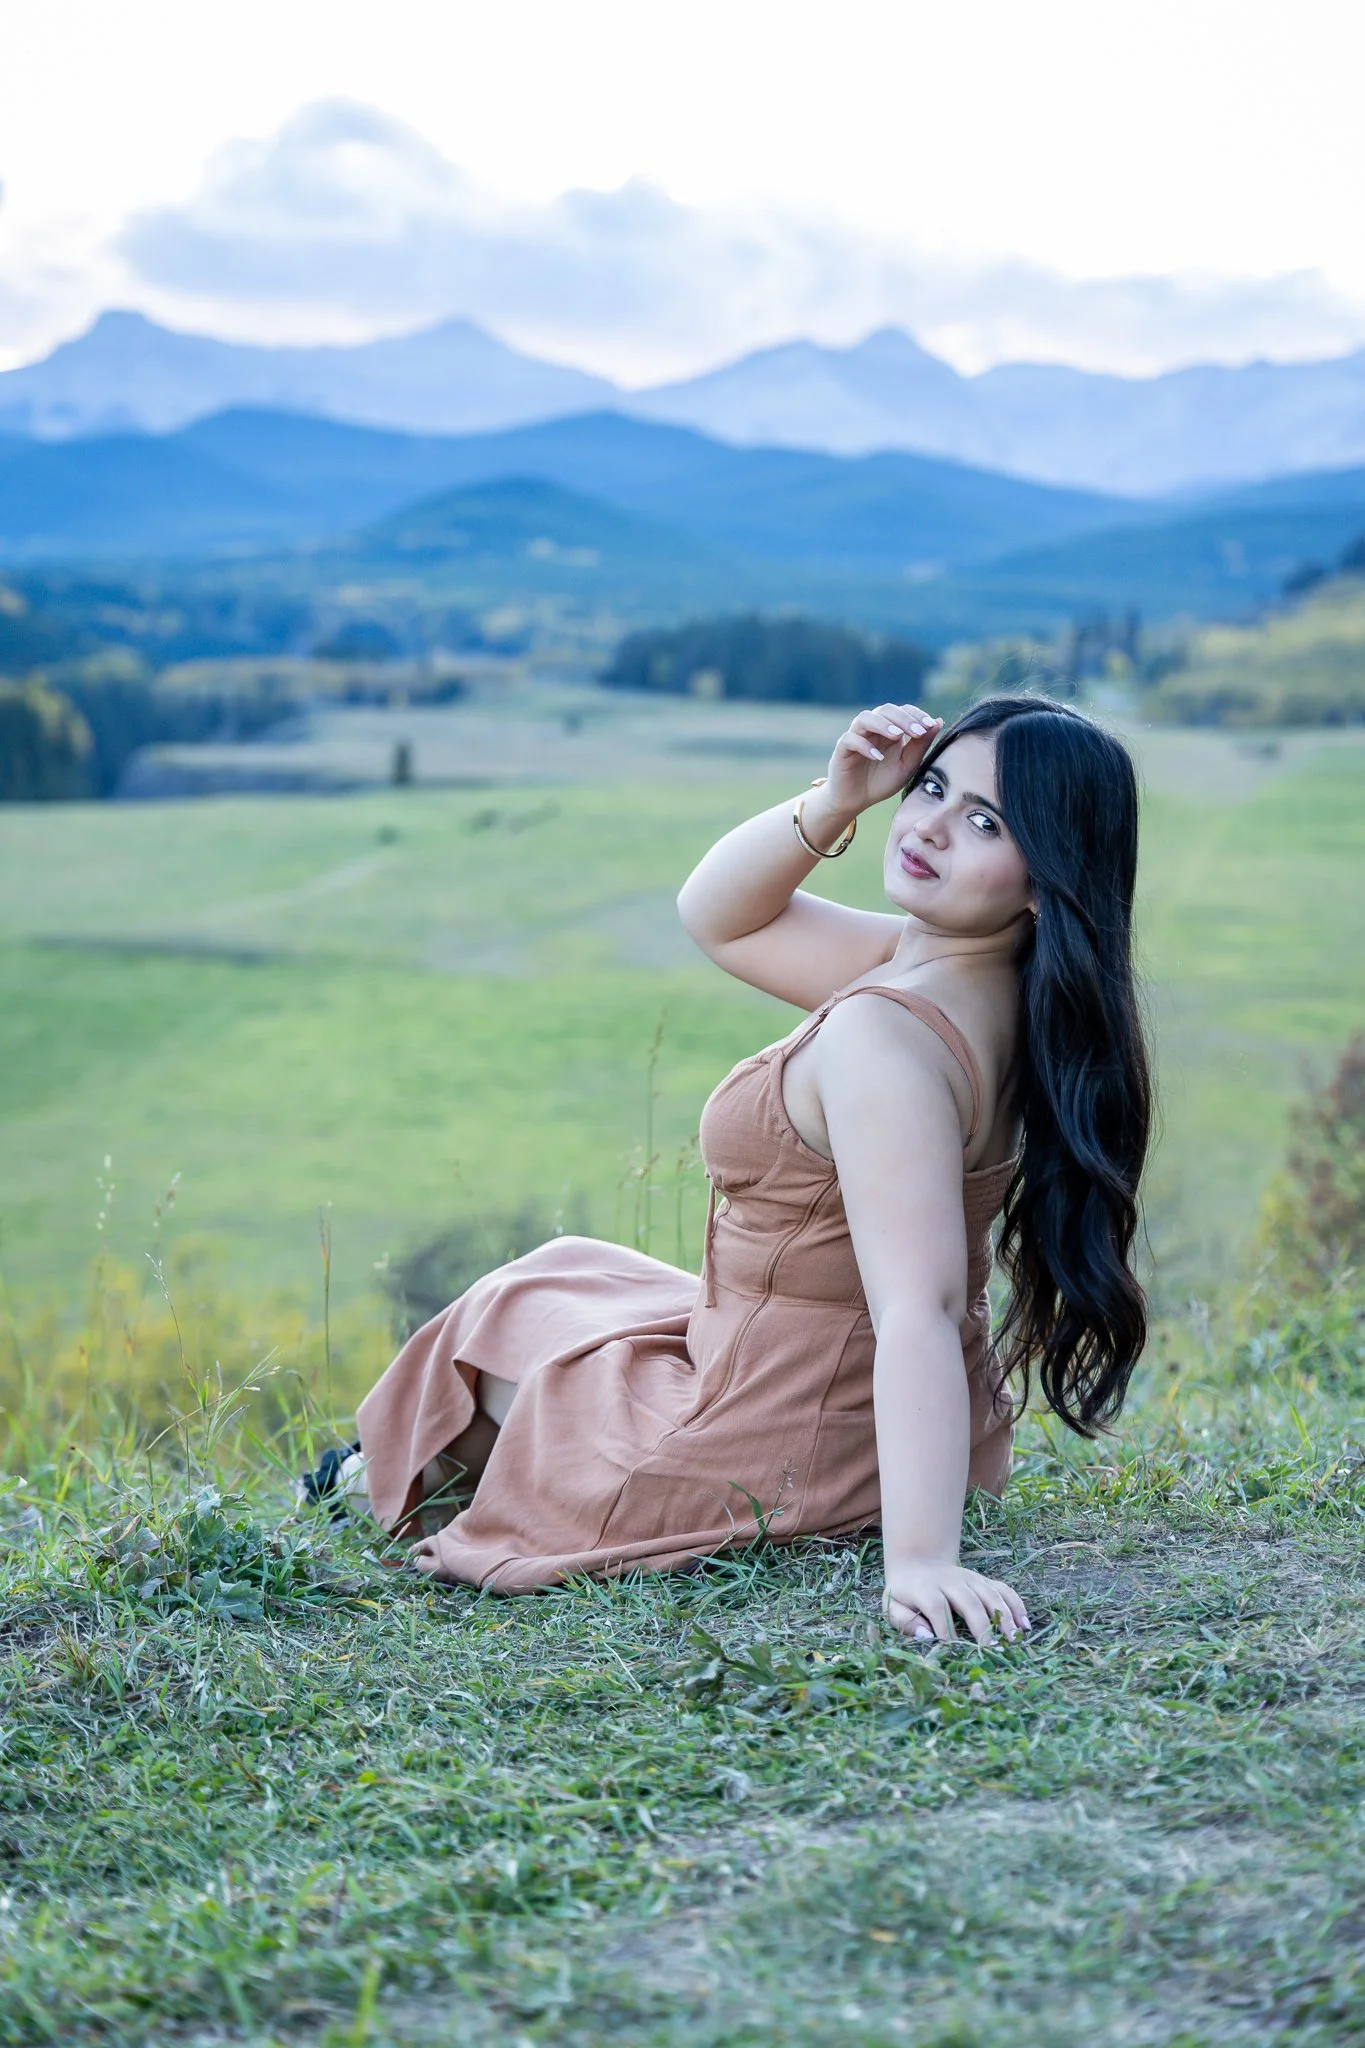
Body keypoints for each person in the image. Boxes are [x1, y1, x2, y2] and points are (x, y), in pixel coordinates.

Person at [318, 693, 1152, 1644]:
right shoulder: (958, 976)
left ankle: (375, 1481)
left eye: (983, 821)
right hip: (814, 1378)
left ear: (1046, 878)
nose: (927, 826)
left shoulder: (889, 1037)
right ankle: (397, 1468)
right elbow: (718, 916)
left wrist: (922, 1561)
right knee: (555, 1274)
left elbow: (913, 1307)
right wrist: (837, 800)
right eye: (931, 786)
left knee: (520, 1357)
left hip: (786, 1426)